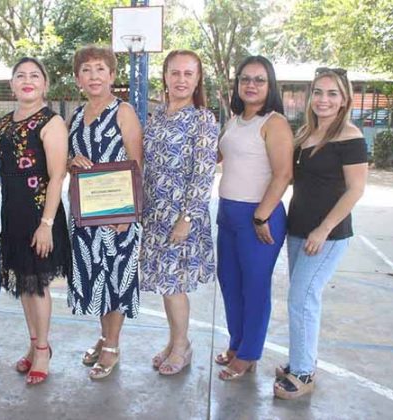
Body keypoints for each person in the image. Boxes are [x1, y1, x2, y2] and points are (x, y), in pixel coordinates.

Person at [274, 68, 367, 399]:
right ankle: (301, 360)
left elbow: (356, 190)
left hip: (327, 235)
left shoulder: (350, 137)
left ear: (344, 100)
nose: (323, 99)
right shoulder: (306, 134)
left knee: (303, 298)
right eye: (318, 92)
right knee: (299, 298)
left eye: (332, 93)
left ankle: (303, 372)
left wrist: (324, 229)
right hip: (298, 229)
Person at [140, 50, 219, 375]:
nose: (181, 80)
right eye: (175, 73)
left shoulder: (203, 119)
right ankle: (174, 342)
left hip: (182, 217)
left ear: (198, 79)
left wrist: (186, 219)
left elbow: (204, 174)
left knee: (174, 285)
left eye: (188, 74)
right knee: (166, 284)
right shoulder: (157, 116)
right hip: (155, 214)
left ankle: (182, 346)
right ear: (165, 76)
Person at [67, 45, 143, 380]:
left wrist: (128, 214)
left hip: (118, 215)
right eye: (86, 70)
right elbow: (68, 161)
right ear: (77, 78)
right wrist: (71, 162)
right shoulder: (75, 116)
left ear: (112, 75)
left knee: (116, 279)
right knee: (97, 279)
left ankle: (112, 344)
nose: (93, 76)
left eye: (100, 69)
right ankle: (103, 336)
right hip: (86, 216)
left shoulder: (123, 112)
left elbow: (138, 164)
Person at [215, 56, 294, 380]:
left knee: (255, 287)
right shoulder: (235, 120)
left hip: (259, 217)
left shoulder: (275, 123)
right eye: (245, 78)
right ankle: (237, 344)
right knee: (230, 283)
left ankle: (249, 353)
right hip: (227, 213)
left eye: (259, 80)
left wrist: (261, 216)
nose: (251, 85)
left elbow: (283, 173)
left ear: (270, 85)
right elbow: (215, 156)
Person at [0, 57, 71, 385]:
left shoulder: (51, 122)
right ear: (12, 84)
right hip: (13, 214)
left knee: (37, 285)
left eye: (35, 76)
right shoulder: (3, 123)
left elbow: (57, 176)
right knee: (24, 284)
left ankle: (42, 350)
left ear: (45, 84)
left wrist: (46, 224)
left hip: (41, 215)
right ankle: (33, 343)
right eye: (21, 76)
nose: (27, 81)